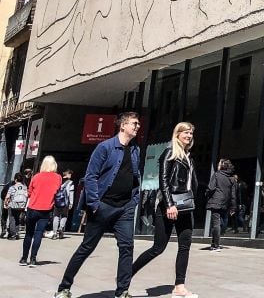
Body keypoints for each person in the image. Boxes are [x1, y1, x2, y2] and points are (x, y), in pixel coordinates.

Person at [55, 111, 142, 298]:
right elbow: (91, 176)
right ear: (123, 125)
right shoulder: (105, 147)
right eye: (134, 123)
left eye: (138, 124)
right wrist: (95, 204)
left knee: (127, 247)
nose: (138, 126)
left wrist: (134, 200)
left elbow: (135, 176)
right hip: (103, 206)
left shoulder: (136, 149)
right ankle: (64, 287)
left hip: (125, 207)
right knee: (87, 247)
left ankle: (122, 291)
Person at [131, 122, 199, 298]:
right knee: (158, 248)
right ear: (177, 134)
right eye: (186, 132)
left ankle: (179, 286)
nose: (189, 136)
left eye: (191, 133)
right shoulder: (169, 153)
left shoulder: (188, 157)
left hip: (185, 207)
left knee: (185, 246)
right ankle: (127, 275)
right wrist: (169, 204)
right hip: (169, 206)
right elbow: (164, 181)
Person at [21, 155, 62, 266]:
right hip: (46, 209)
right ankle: (33, 259)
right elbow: (57, 191)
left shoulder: (36, 177)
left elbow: (29, 193)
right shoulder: (58, 178)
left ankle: (24, 259)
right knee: (38, 234)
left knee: (28, 234)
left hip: (32, 208)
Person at [206, 158, 237, 251]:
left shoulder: (217, 175)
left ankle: (216, 245)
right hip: (225, 203)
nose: (218, 165)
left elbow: (211, 188)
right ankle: (213, 244)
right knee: (219, 222)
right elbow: (233, 195)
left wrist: (207, 194)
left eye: (219, 164)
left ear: (222, 166)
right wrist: (233, 207)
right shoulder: (232, 179)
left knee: (216, 223)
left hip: (216, 201)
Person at [52, 170, 75, 239]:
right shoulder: (70, 183)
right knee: (64, 216)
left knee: (56, 216)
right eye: (70, 174)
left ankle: (54, 233)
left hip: (57, 202)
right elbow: (71, 193)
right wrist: (71, 203)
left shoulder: (58, 181)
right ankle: (61, 228)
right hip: (65, 202)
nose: (71, 175)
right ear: (68, 174)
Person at [4, 172, 28, 239]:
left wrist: (6, 203)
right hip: (21, 206)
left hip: (13, 205)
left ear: (15, 179)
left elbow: (7, 197)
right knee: (17, 219)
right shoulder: (25, 187)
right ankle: (17, 233)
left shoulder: (12, 187)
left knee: (12, 219)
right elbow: (26, 196)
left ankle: (13, 234)